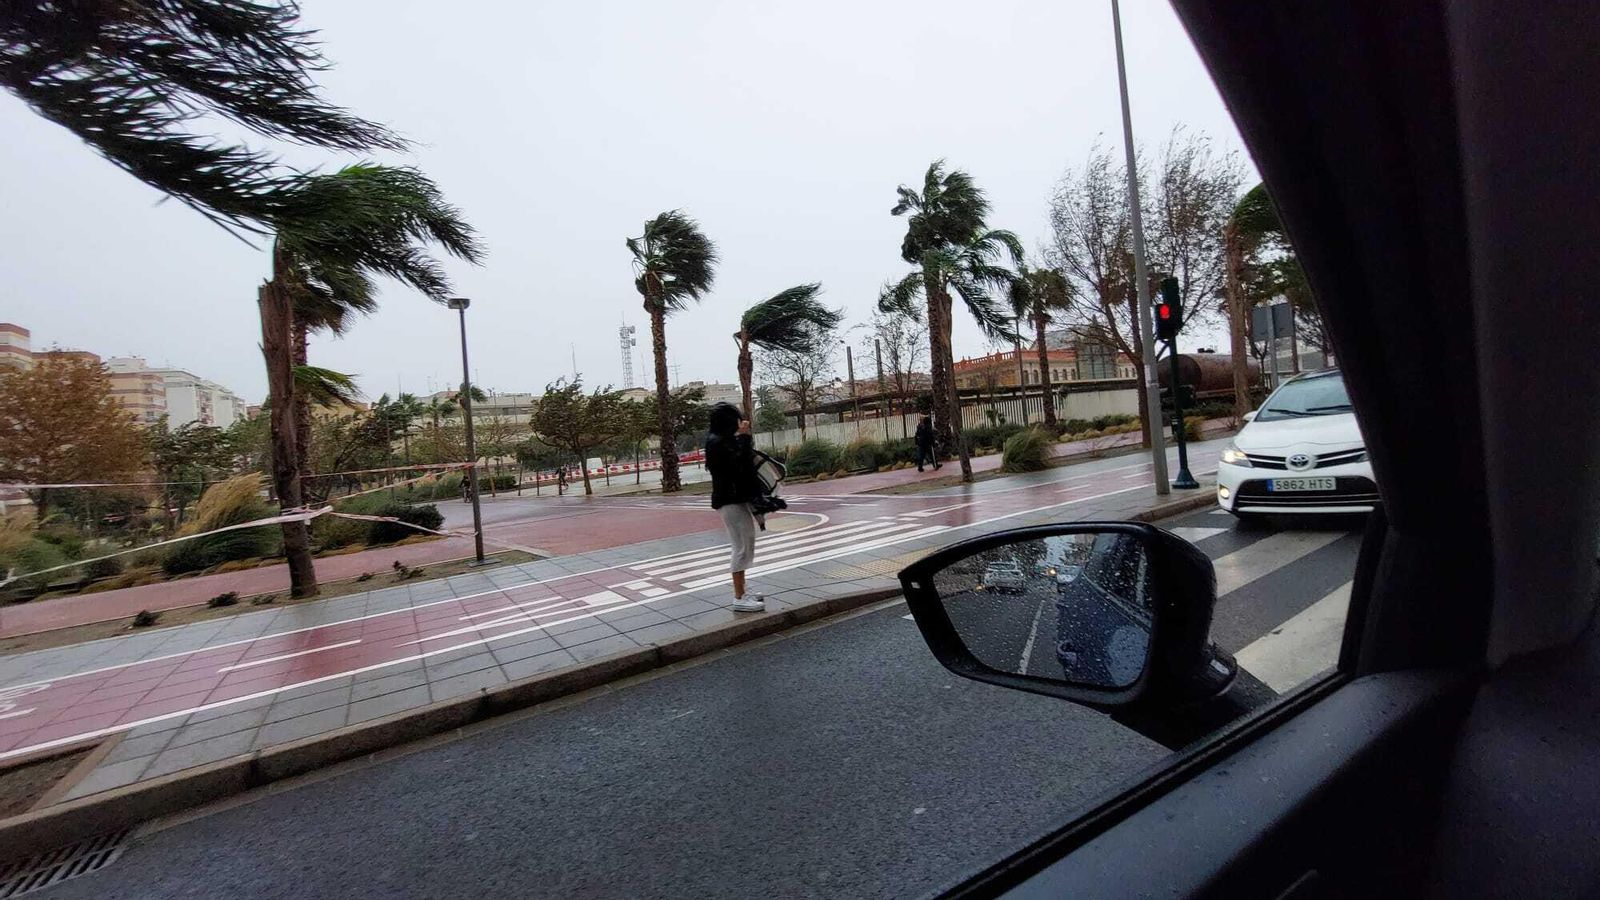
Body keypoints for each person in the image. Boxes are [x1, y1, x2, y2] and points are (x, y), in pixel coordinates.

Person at [705, 402, 765, 612]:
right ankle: (739, 597)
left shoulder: (718, 440)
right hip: (730, 500)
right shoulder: (719, 443)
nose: (740, 423)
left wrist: (742, 438)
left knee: (745, 543)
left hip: (731, 498)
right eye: (737, 420)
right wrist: (745, 437)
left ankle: (743, 590)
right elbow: (741, 464)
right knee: (741, 546)